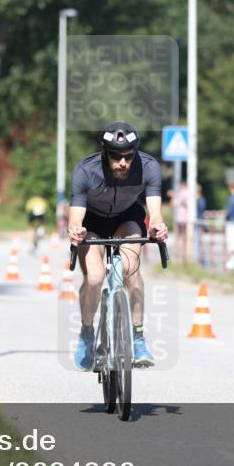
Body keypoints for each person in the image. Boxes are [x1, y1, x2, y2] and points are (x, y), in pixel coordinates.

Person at [67, 122, 168, 371]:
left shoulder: (149, 167)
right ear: (104, 153)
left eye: (128, 156)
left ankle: (138, 337)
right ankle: (87, 333)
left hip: (127, 218)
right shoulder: (85, 171)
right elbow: (75, 217)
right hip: (92, 221)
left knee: (130, 271)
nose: (123, 162)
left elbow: (154, 213)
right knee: (95, 277)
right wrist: (76, 229)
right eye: (116, 156)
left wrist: (157, 226)